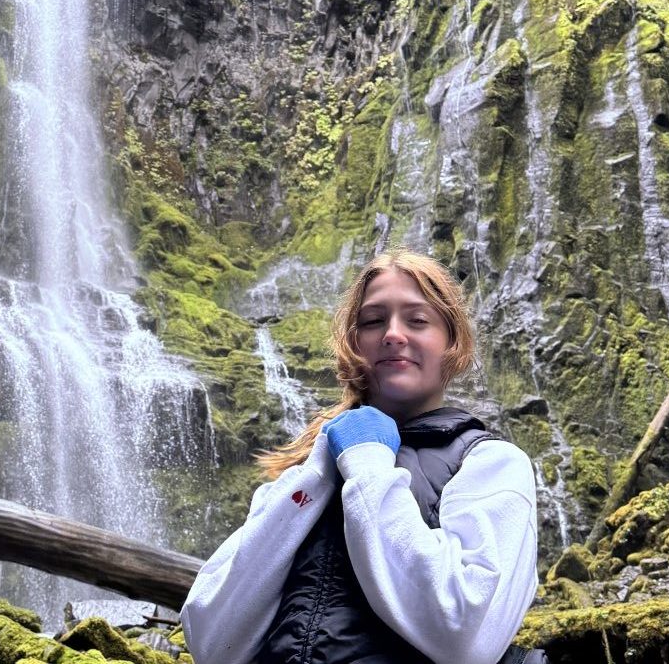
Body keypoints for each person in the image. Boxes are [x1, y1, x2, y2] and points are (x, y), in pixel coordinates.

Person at [181, 250, 540, 664]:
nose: (393, 334)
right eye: (372, 321)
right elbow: (209, 641)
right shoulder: (305, 476)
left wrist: (367, 464)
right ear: (353, 344)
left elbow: (466, 638)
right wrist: (318, 474)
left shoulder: (491, 463)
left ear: (453, 343)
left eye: (417, 320)